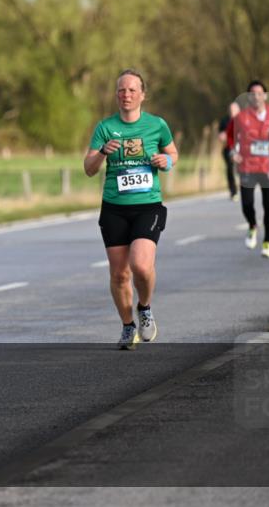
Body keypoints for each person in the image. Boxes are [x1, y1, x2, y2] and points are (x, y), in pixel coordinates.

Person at [83, 69, 178, 350]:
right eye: (121, 91)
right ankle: (127, 326)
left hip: (147, 205)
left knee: (140, 265)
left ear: (142, 95)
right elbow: (88, 169)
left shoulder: (157, 125)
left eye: (132, 90)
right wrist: (102, 153)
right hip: (114, 208)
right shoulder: (104, 128)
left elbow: (173, 152)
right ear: (116, 95)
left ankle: (145, 307)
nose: (126, 95)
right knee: (119, 274)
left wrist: (166, 161)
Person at [228, 81, 269, 258]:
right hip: (247, 166)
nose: (256, 97)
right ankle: (252, 225)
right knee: (247, 204)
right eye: (252, 94)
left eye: (259, 93)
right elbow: (230, 137)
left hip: (267, 168)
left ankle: (268, 242)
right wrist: (234, 152)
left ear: (265, 96)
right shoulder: (241, 117)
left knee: (268, 206)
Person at [219, 102, 241, 201]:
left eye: (234, 110)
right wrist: (222, 136)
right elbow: (220, 135)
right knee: (230, 168)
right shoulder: (224, 121)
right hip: (229, 148)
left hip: (242, 149)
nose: (232, 112)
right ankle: (233, 191)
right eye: (231, 110)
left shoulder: (243, 120)